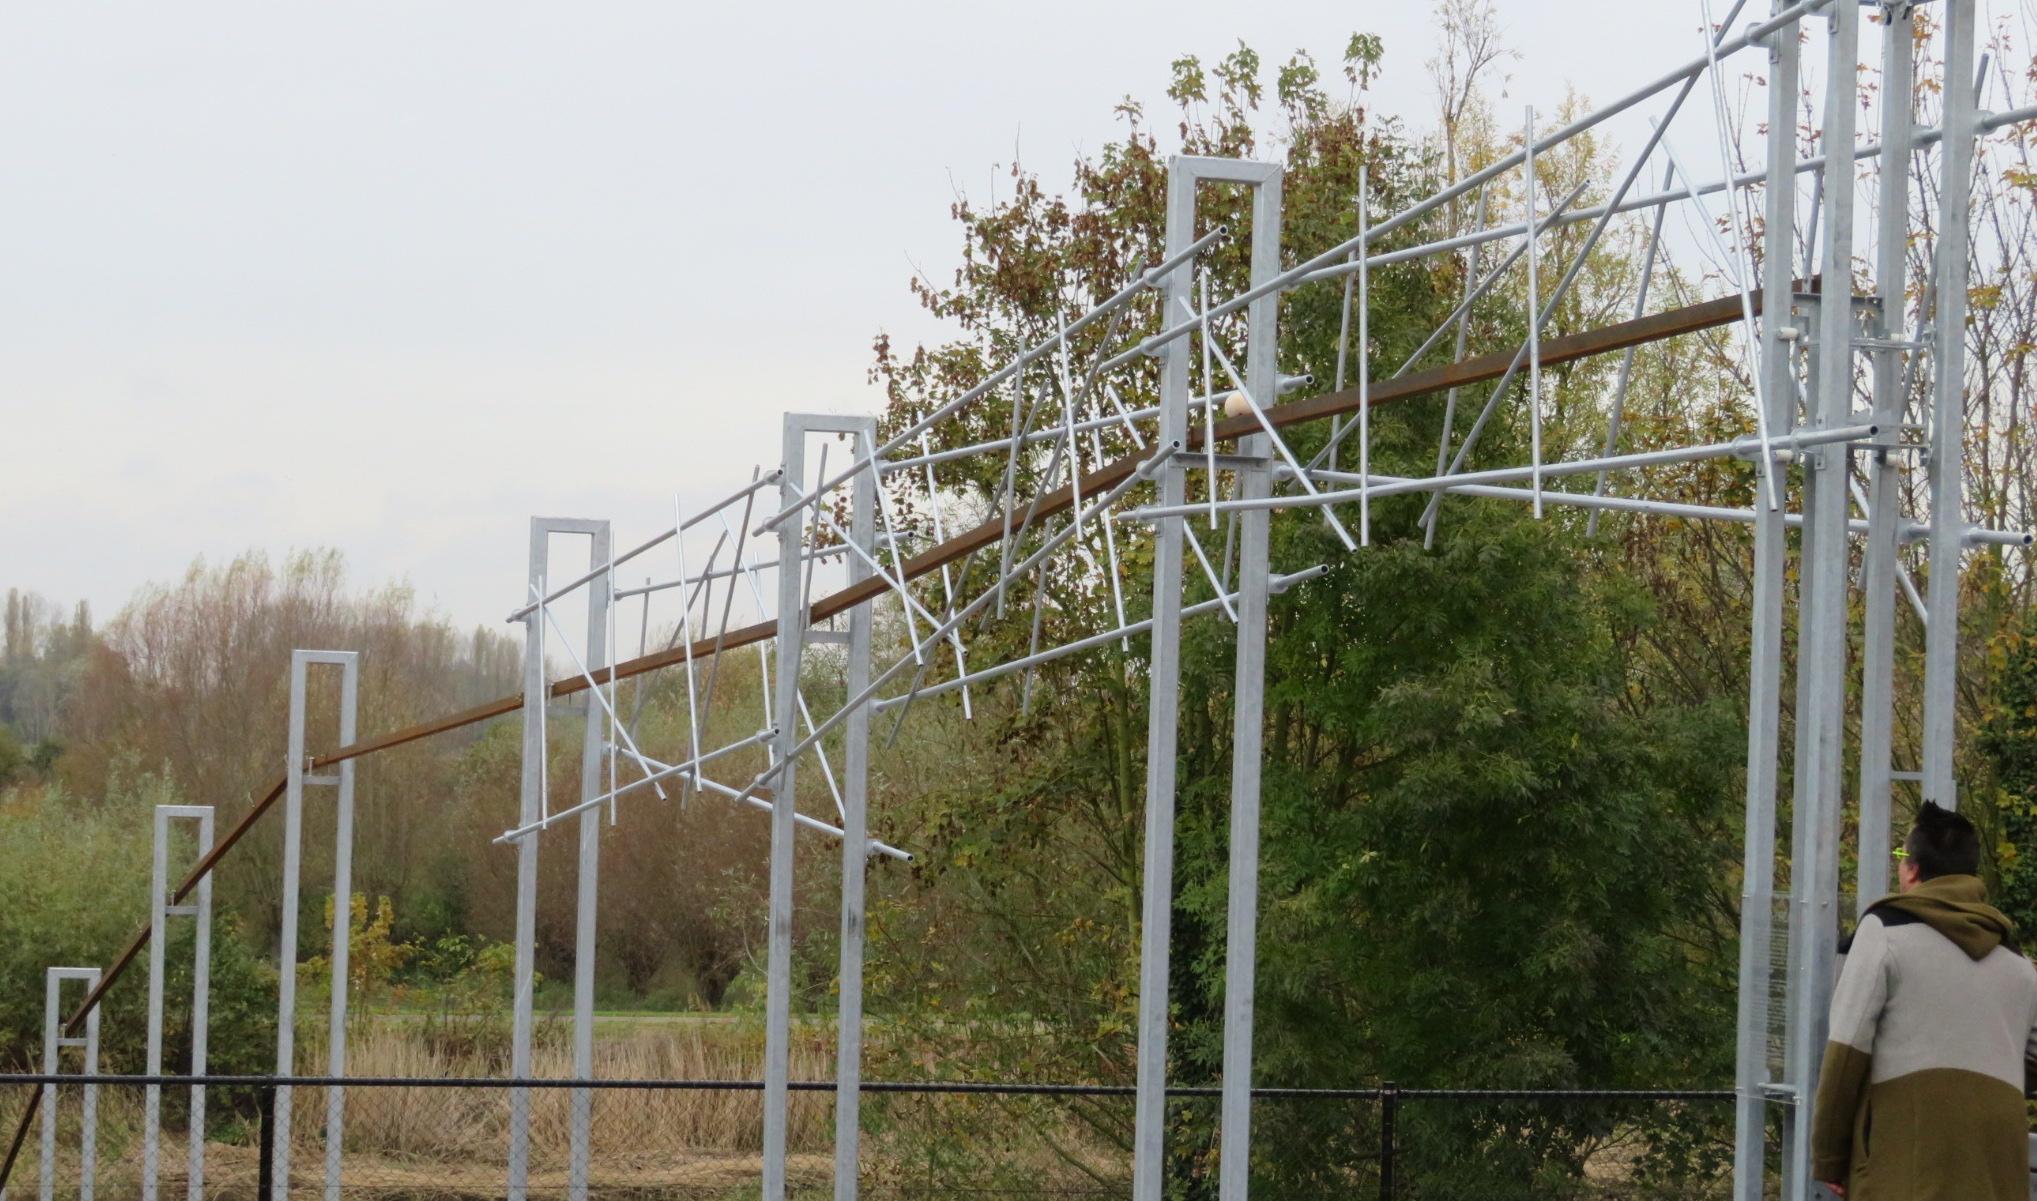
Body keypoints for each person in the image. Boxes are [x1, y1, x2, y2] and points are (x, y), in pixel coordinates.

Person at [1812, 801, 2037, 1199]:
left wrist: (1831, 1156)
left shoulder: (1884, 931)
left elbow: (1847, 1049)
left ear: (1912, 868)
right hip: (1998, 1162)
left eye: (1900, 856)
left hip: (1906, 1156)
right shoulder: (2018, 963)